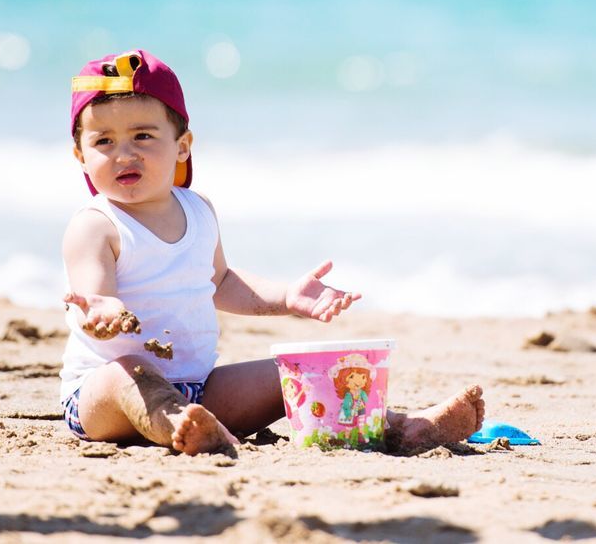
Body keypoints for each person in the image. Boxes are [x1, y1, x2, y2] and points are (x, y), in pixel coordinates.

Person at [60, 48, 484, 455]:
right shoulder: (97, 225)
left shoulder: (198, 209)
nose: (125, 153)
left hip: (199, 387)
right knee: (132, 371)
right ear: (81, 155)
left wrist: (286, 297)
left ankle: (401, 427)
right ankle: (180, 427)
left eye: (143, 136)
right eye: (104, 142)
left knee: (297, 373)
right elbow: (94, 293)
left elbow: (220, 282)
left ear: (183, 145)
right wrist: (100, 312)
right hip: (104, 395)